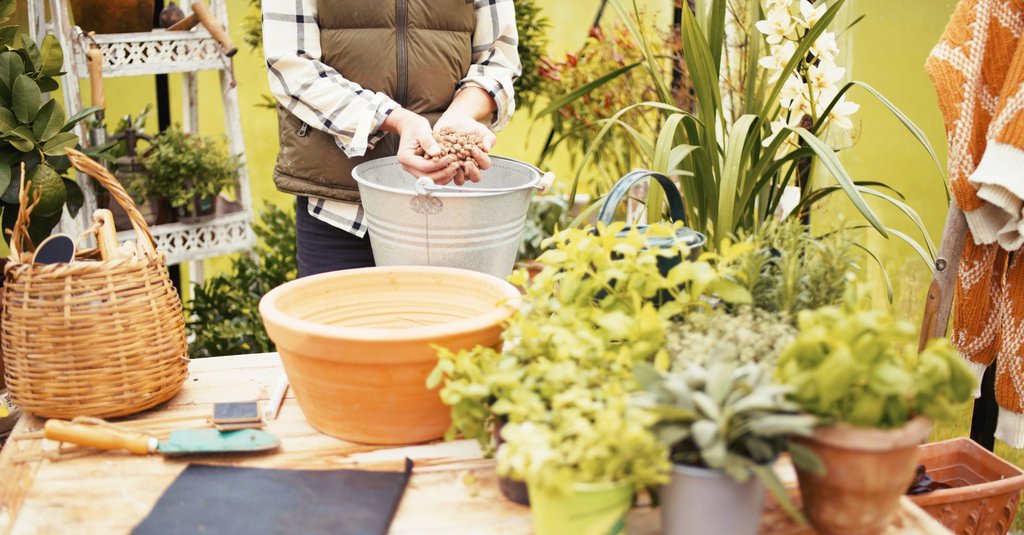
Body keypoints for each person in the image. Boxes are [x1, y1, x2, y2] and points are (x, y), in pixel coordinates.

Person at [263, 0, 521, 277]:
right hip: (339, 207)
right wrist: (393, 118)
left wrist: (459, 117)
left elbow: (498, 60)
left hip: (449, 203)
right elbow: (291, 66)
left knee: (449, 318)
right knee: (336, 318)